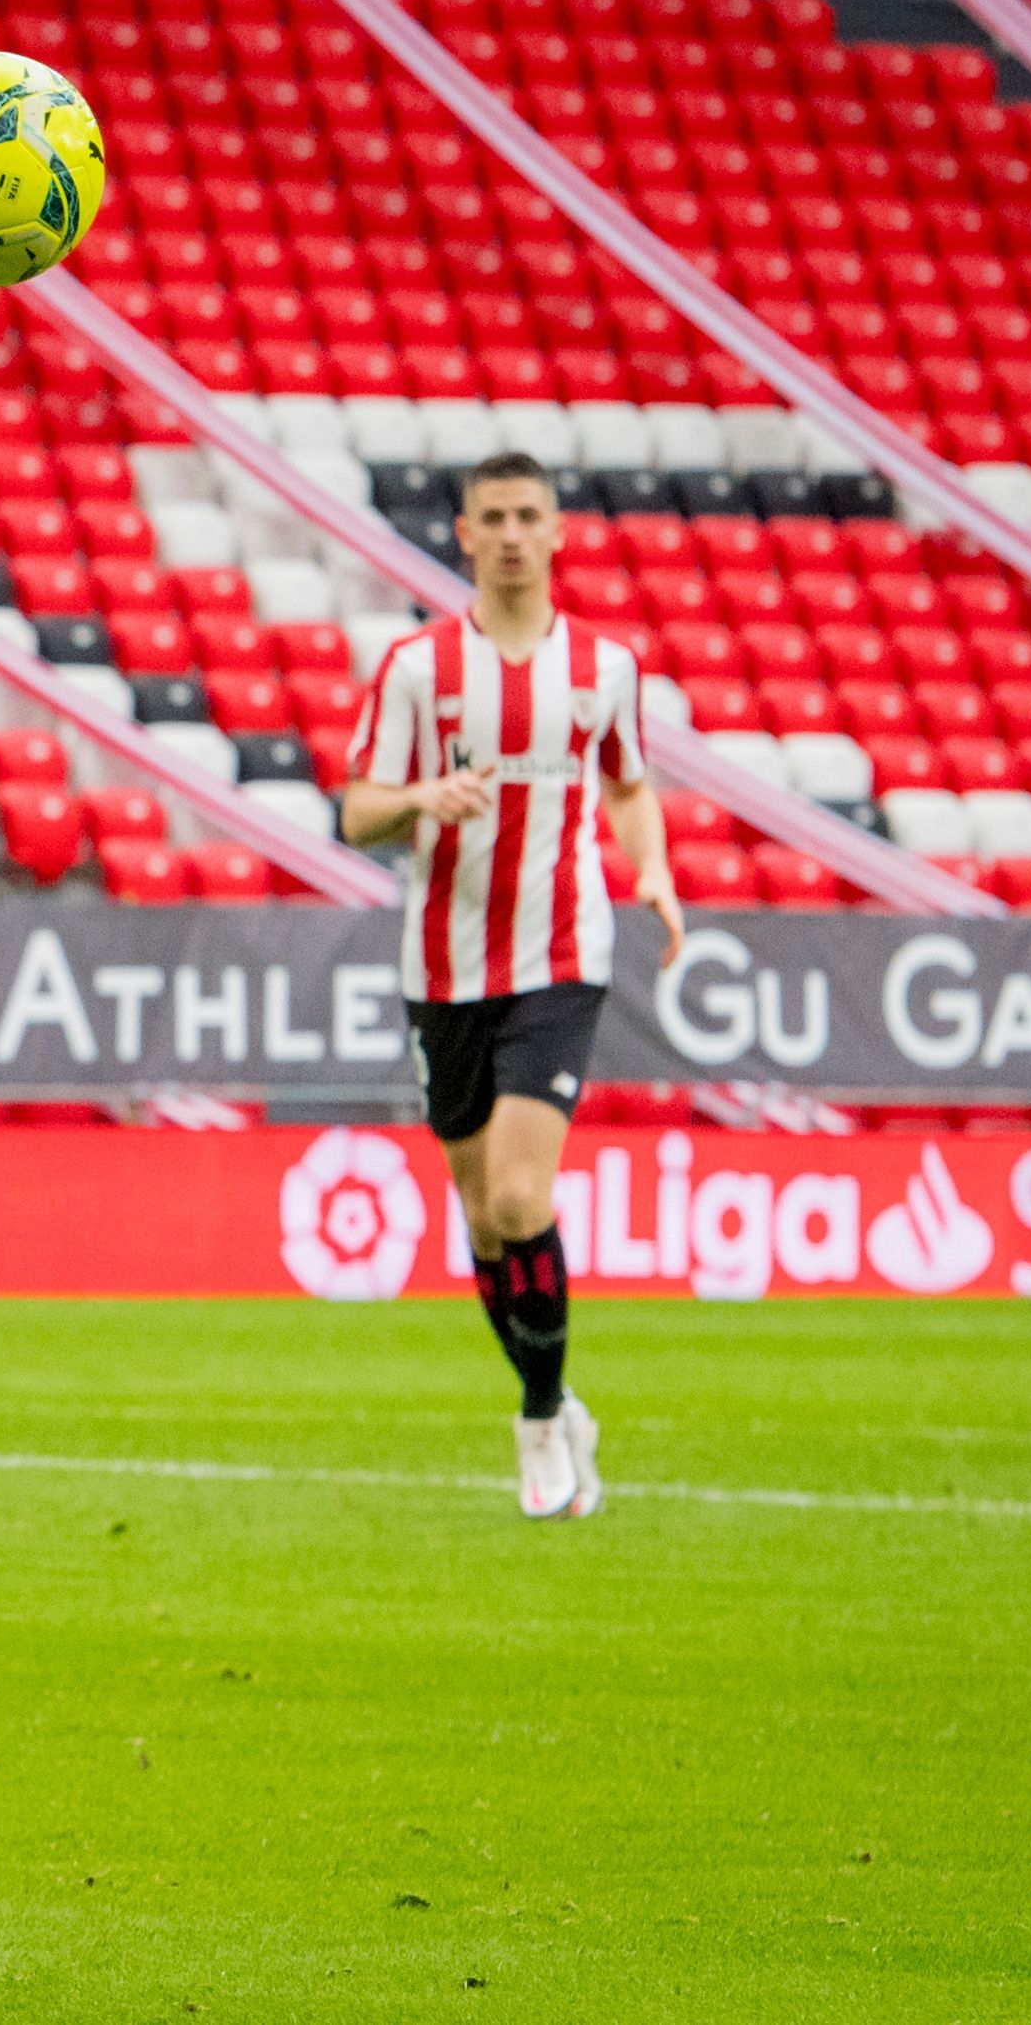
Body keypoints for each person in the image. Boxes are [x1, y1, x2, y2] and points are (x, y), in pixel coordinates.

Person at [340, 452, 684, 1520]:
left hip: (560, 952)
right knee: (483, 1227)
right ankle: (554, 1396)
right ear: (462, 532)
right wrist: (417, 798)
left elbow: (626, 783)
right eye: (491, 516)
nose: (510, 534)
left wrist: (656, 871)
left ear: (557, 530)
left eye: (528, 515)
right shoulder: (415, 668)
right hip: (441, 966)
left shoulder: (604, 666)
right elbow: (356, 810)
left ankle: (537, 1420)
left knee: (520, 1195)